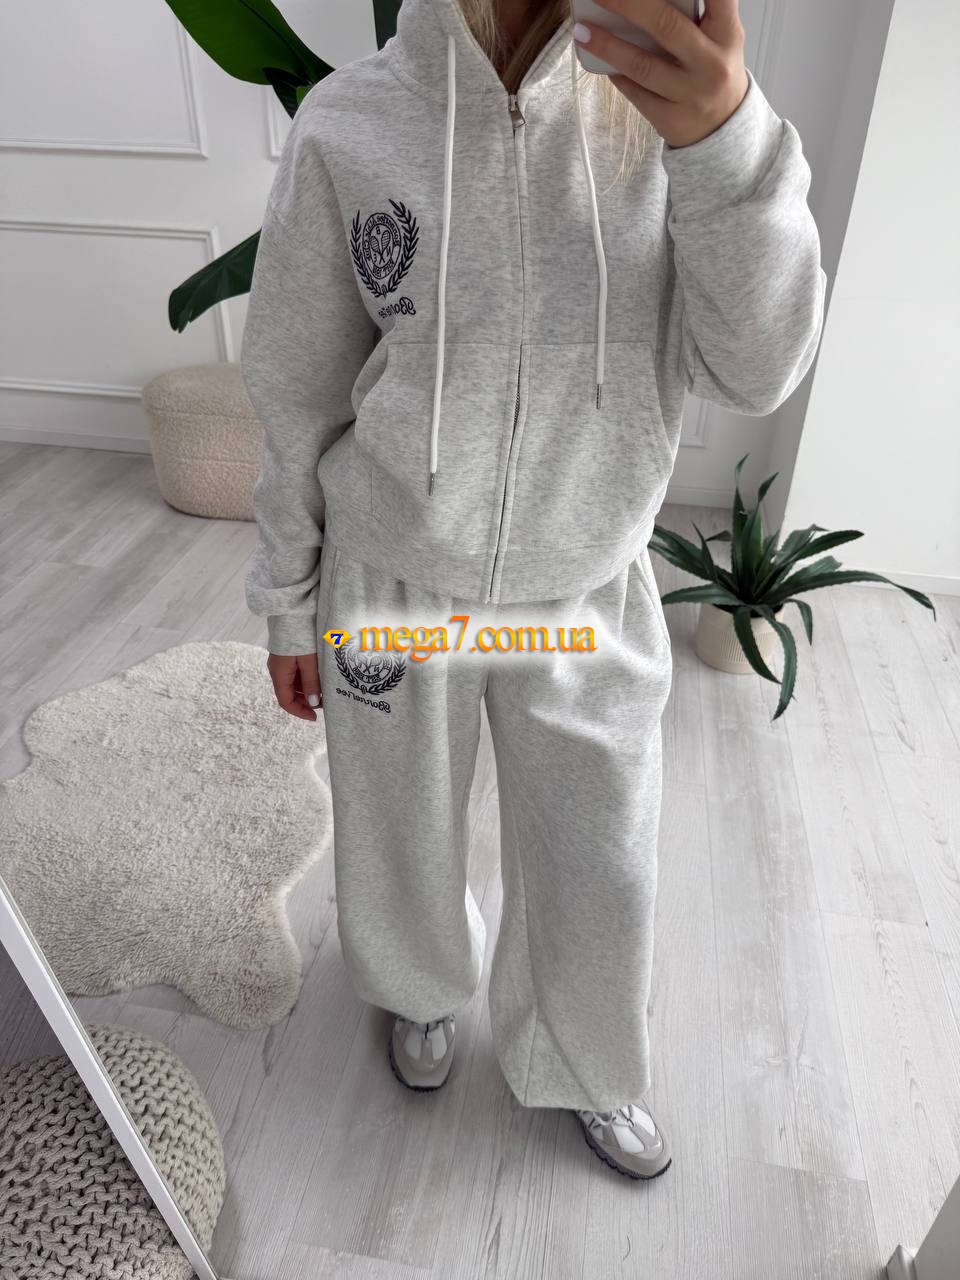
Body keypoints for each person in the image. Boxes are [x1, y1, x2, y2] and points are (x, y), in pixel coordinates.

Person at [240, 0, 826, 1181]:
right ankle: (419, 987)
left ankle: (586, 1057)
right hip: (394, 576)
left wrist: (723, 145)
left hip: (583, 584)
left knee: (601, 852)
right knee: (398, 826)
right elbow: (296, 387)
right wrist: (291, 596)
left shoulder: (671, 112)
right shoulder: (351, 124)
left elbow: (757, 369)